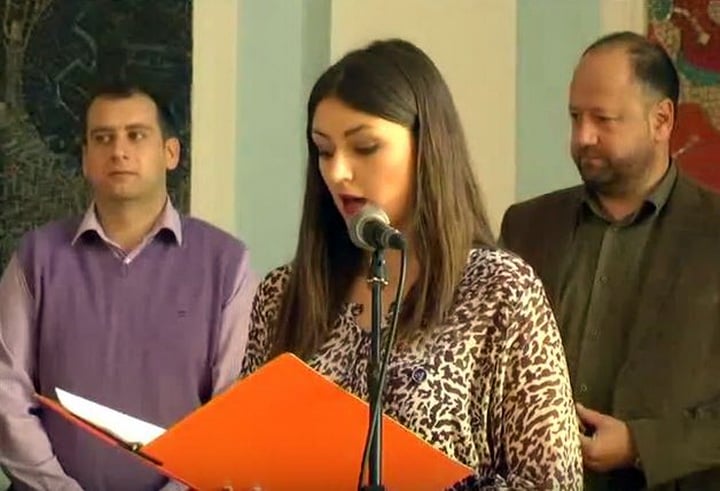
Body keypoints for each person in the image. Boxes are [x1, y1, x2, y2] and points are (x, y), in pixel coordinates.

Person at [239, 39, 582, 489]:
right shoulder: (283, 292)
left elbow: (554, 482)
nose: (338, 172)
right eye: (323, 150)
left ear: (427, 146)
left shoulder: (498, 290)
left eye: (365, 147)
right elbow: (245, 456)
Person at [0, 81, 257, 490]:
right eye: (103, 138)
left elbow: (234, 407)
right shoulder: (36, 257)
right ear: (86, 158)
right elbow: (6, 391)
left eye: (136, 135)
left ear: (170, 153)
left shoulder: (227, 263)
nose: (118, 151)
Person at [500, 31, 720, 490]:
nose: (583, 136)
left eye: (603, 119)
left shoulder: (711, 233)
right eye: (575, 117)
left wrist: (641, 444)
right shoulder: (525, 226)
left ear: (661, 120)